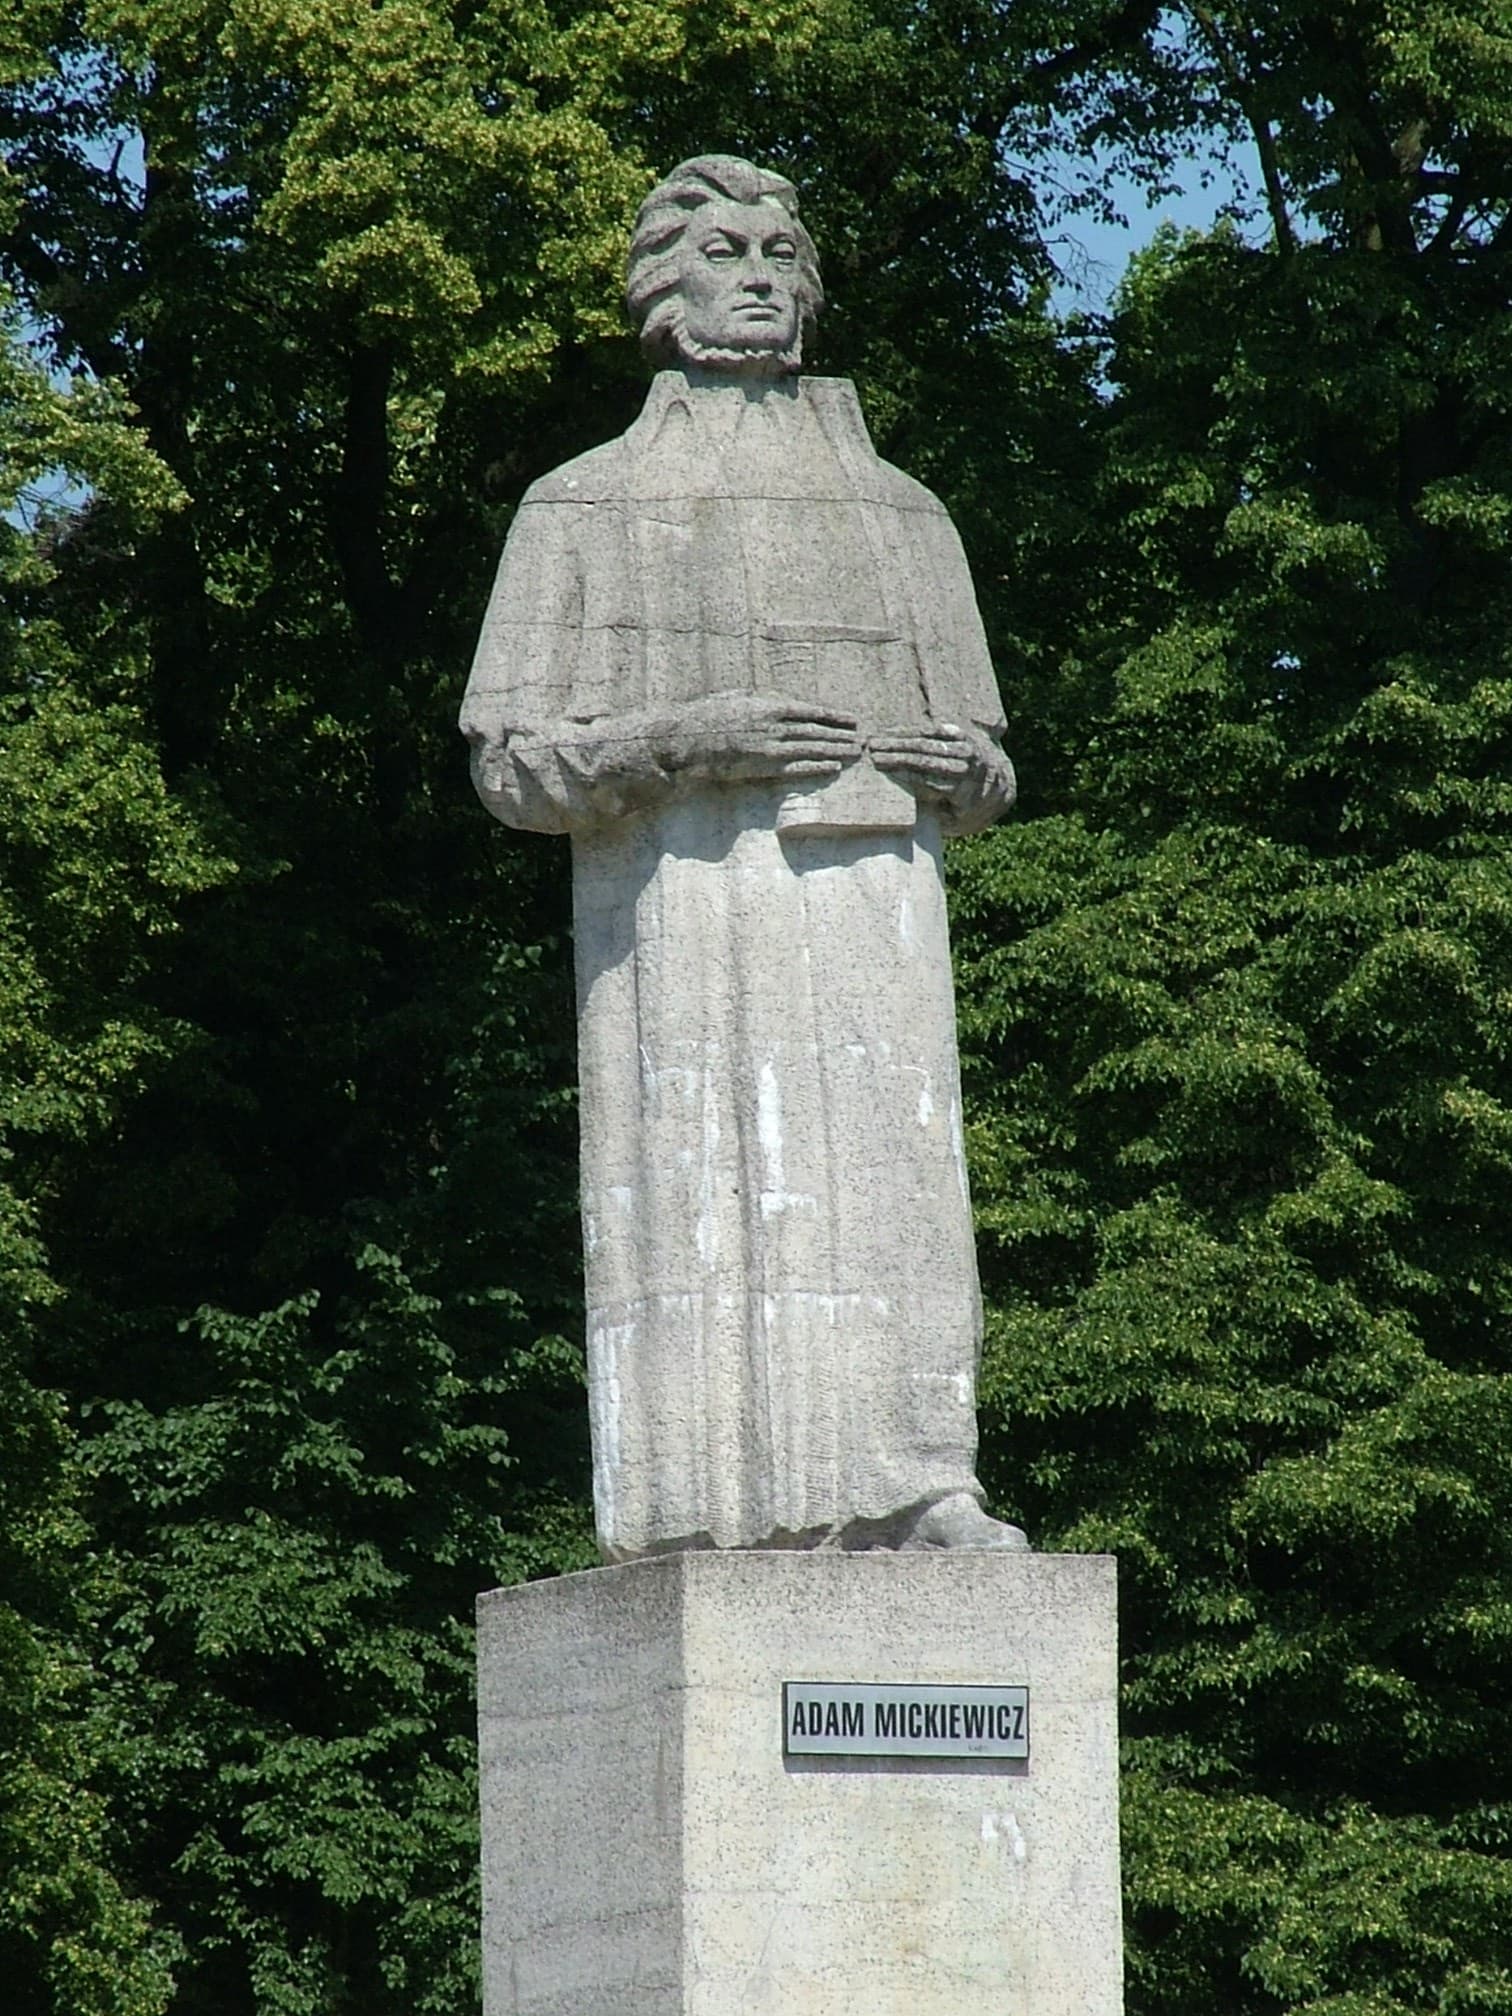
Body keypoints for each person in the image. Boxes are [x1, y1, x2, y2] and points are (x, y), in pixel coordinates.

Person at [461, 154, 1026, 1559]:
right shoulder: (581, 505)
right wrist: (682, 741)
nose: (760, 276)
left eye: (781, 251)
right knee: (711, 1188)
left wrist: (962, 772)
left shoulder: (905, 512)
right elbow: (510, 765)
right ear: (664, 288)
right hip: (690, 915)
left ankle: (924, 1484)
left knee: (902, 1187)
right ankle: (707, 1513)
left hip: (878, 916)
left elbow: (989, 764)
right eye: (724, 251)